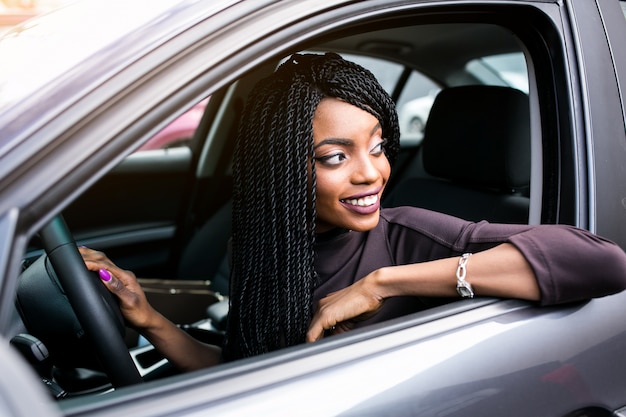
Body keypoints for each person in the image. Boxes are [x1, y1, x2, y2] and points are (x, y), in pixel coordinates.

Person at [80, 53, 626, 371]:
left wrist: (383, 284)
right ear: (283, 167)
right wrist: (148, 318)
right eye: (335, 157)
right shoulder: (257, 247)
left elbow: (602, 262)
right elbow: (246, 371)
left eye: (379, 146)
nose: (371, 173)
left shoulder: (409, 234)